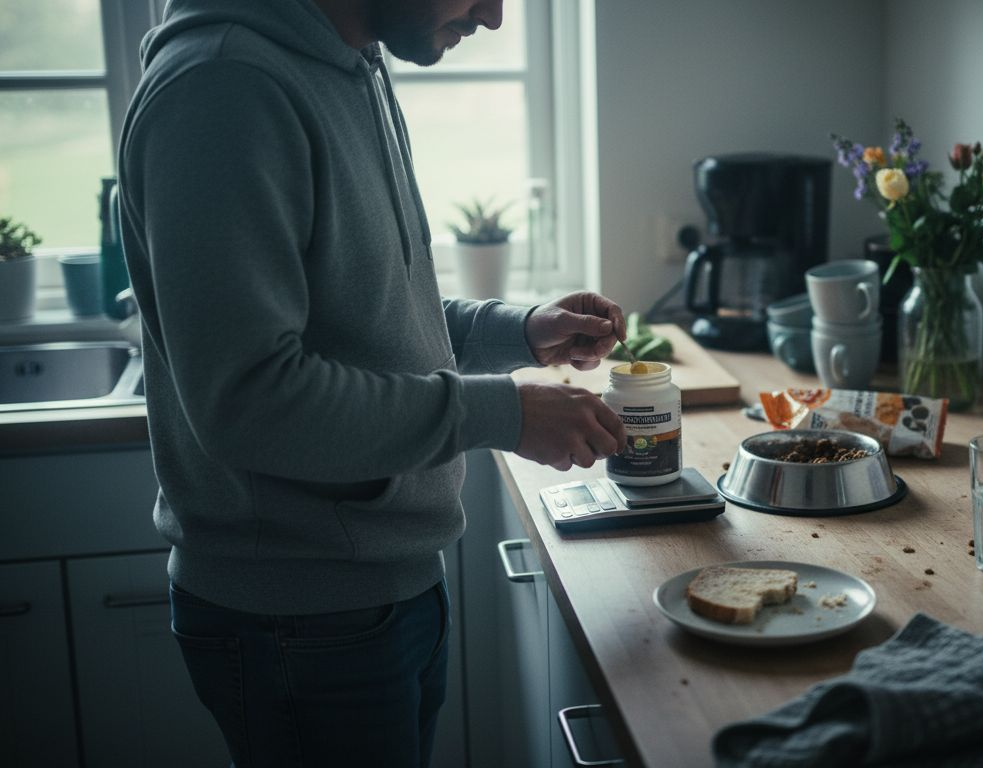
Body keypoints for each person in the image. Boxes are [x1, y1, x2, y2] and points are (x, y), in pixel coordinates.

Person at [116, 0, 624, 765]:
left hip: (380, 590)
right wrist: (503, 413)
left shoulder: (350, 61)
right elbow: (253, 402)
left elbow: (375, 319)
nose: (491, 15)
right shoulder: (223, 87)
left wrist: (516, 333)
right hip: (299, 617)